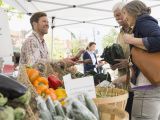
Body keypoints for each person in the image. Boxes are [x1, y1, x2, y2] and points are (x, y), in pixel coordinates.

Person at [122, 0, 160, 120]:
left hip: (146, 87)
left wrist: (130, 40)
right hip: (148, 86)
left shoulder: (143, 22)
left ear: (133, 11)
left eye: (125, 13)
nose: (124, 17)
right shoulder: (143, 23)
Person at [112, 2, 133, 119]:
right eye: (115, 16)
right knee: (124, 114)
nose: (117, 18)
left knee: (132, 113)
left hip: (135, 83)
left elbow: (142, 56)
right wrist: (113, 64)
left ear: (126, 13)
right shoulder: (119, 34)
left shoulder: (136, 29)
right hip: (122, 84)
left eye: (119, 15)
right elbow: (118, 53)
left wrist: (128, 62)